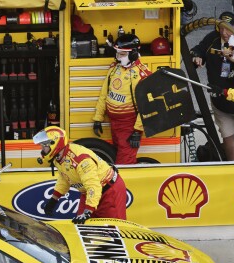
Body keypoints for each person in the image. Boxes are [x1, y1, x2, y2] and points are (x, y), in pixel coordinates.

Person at [32, 126, 127, 222]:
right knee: (81, 226)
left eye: (44, 146)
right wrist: (54, 199)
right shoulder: (58, 157)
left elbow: (93, 186)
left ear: (54, 144)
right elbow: (65, 177)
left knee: (113, 230)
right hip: (89, 192)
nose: (42, 149)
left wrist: (88, 211)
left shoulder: (81, 160)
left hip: (109, 190)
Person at [190, 11, 234, 161]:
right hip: (220, 101)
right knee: (227, 136)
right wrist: (197, 56)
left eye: (228, 28)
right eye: (221, 28)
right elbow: (199, 49)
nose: (224, 32)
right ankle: (233, 167)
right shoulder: (212, 39)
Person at [92, 33, 152, 165]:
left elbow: (147, 105)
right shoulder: (114, 68)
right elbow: (104, 94)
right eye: (117, 53)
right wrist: (98, 118)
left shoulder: (143, 74)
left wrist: (137, 131)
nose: (118, 57)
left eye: (122, 54)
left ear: (134, 54)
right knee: (117, 158)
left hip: (129, 127)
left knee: (124, 164)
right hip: (114, 123)